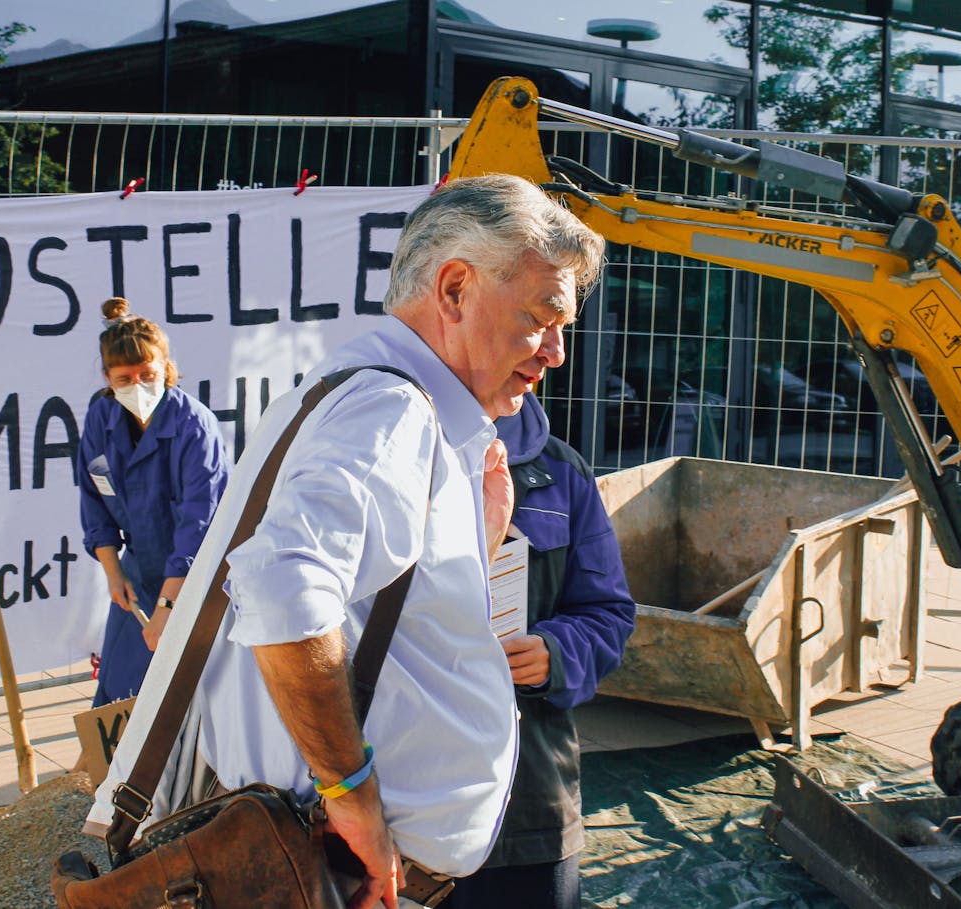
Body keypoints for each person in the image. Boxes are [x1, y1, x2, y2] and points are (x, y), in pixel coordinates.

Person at [89, 174, 605, 909]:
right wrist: (350, 790)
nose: (555, 352)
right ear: (454, 289)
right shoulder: (388, 407)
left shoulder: (384, 397)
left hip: (340, 870)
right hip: (330, 869)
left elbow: (377, 612)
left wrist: (475, 539)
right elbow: (284, 588)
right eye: (541, 316)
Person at [447, 391, 635, 909]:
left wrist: (556, 652)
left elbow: (609, 613)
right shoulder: (388, 463)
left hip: (530, 798)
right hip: (411, 796)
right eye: (533, 324)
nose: (552, 352)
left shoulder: (562, 472)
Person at [76, 298, 230, 706]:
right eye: (125, 378)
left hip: (198, 581)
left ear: (167, 370)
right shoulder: (100, 420)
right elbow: (94, 501)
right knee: (119, 689)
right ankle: (98, 769)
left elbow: (198, 528)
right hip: (139, 572)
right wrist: (113, 573)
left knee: (188, 696)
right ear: (108, 379)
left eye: (147, 374)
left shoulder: (195, 428)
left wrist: (167, 607)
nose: (137, 386)